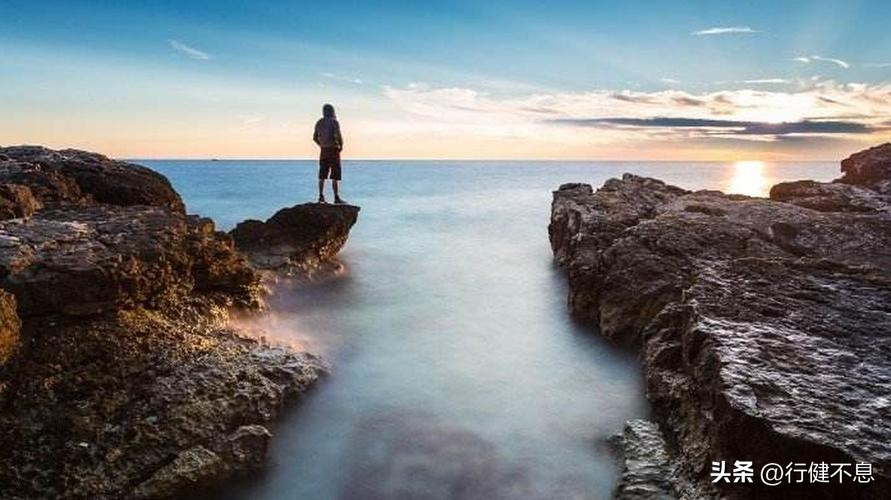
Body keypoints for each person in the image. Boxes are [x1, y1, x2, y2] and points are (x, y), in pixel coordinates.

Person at [313, 103, 346, 204]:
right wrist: (341, 145)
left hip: (323, 150)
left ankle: (321, 196)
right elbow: (338, 135)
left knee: (322, 174)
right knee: (335, 175)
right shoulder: (334, 122)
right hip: (333, 149)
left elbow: (314, 137)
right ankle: (336, 197)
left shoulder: (319, 122)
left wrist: (321, 144)